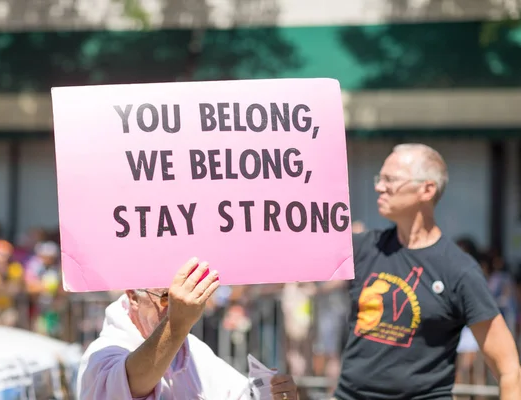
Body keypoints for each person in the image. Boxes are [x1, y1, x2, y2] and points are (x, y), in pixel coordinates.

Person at [333, 143, 521, 400]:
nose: (379, 187)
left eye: (390, 179)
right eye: (380, 178)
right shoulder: (365, 248)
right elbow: (294, 249)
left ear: (427, 189)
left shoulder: (459, 270)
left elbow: (509, 369)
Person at [77, 257, 299, 399]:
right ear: (133, 296)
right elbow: (130, 383)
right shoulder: (101, 355)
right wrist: (177, 323)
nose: (179, 305)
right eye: (167, 297)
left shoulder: (191, 349)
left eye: (185, 296)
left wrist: (272, 393)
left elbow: (239, 393)